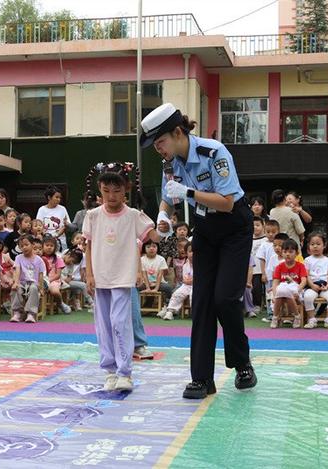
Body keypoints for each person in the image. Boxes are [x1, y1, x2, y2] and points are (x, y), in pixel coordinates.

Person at [140, 102, 256, 399]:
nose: (159, 150)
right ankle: (202, 378)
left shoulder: (214, 152)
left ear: (178, 132)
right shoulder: (171, 163)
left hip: (233, 227)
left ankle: (242, 364)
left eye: (161, 142)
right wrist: (163, 217)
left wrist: (189, 193)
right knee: (202, 301)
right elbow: (169, 198)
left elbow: (227, 202)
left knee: (225, 298)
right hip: (205, 230)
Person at [83, 168, 163, 392]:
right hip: (100, 277)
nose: (111, 196)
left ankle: (125, 372)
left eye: (116, 191)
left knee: (120, 323)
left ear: (125, 191)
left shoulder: (133, 215)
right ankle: (109, 371)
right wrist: (89, 274)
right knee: (104, 326)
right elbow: (88, 247)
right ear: (100, 190)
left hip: (122, 276)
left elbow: (153, 235)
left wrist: (164, 226)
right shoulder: (93, 216)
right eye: (106, 190)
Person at [302, 233, 328, 330]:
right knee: (307, 297)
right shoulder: (307, 260)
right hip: (312, 285)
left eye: (318, 244)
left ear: (324, 245)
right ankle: (311, 320)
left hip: (324, 286)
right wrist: (311, 285)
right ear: (309, 246)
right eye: (312, 244)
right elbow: (306, 275)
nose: (315, 246)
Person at [270, 239, 307, 329]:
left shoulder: (300, 266)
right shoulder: (279, 267)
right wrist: (274, 294)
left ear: (297, 253)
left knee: (284, 291)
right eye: (285, 251)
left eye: (290, 252)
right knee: (281, 291)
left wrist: (298, 290)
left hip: (295, 289)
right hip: (281, 291)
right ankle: (295, 316)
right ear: (282, 253)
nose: (287, 254)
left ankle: (276, 317)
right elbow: (275, 283)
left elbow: (303, 281)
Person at [10, 234, 46, 323]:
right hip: (22, 282)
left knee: (33, 288)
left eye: (26, 245)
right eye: (21, 246)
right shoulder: (18, 258)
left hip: (34, 282)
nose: (24, 247)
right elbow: (17, 270)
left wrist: (41, 287)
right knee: (16, 288)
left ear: (33, 245)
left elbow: (41, 274)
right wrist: (16, 282)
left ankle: (31, 313)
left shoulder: (39, 260)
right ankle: (17, 312)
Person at [160, 242, 193, 321]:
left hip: (198, 285)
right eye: (190, 251)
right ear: (186, 253)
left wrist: (192, 280)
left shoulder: (202, 264)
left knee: (194, 294)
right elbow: (184, 278)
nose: (193, 253)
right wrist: (186, 280)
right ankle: (170, 311)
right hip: (186, 285)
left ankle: (196, 312)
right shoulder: (185, 265)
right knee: (177, 293)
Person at [41, 235, 71, 314]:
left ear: (55, 247)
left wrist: (49, 280)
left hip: (54, 280)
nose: (49, 247)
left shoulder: (57, 258)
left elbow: (58, 275)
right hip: (41, 280)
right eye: (47, 245)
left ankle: (61, 304)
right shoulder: (39, 258)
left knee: (55, 292)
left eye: (51, 246)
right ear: (42, 246)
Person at [36, 186, 71, 252]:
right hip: (46, 242)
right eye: (56, 197)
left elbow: (66, 224)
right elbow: (38, 226)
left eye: (60, 198)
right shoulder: (41, 210)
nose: (59, 199)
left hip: (60, 241)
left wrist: (57, 235)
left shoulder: (62, 209)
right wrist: (47, 237)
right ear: (49, 197)